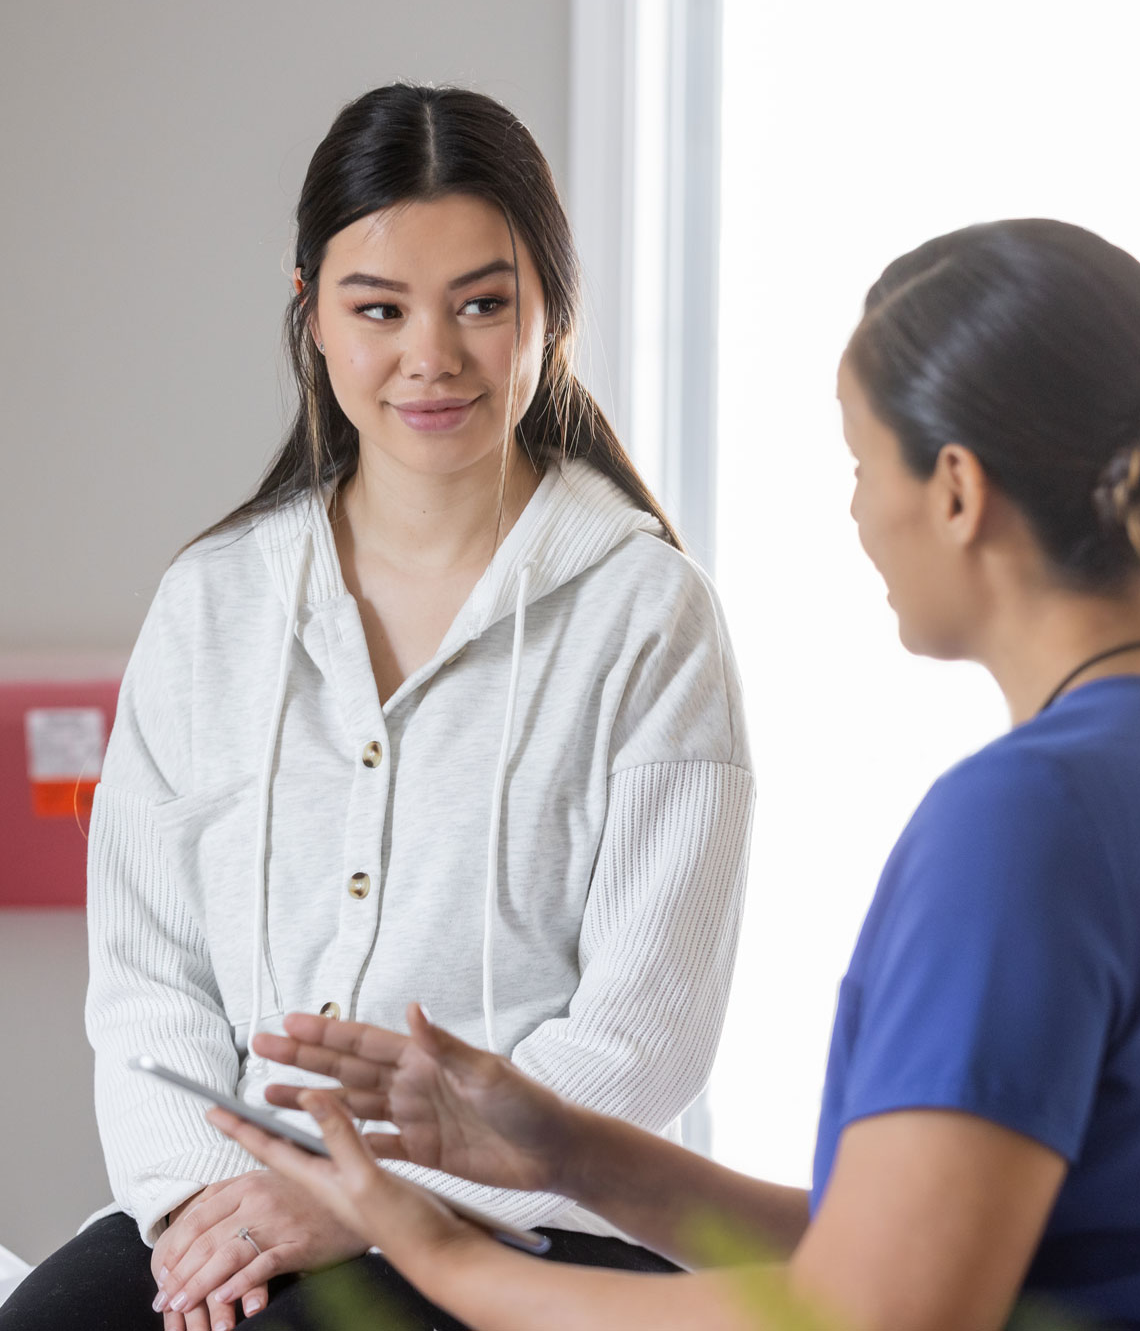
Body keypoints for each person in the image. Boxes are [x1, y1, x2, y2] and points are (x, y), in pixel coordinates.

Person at [201, 219, 1140, 1329]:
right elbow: (921, 1241)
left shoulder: (1025, 821)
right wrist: (566, 1148)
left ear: (958, 489)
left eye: (860, 462)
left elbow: (879, 1313)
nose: (855, 510)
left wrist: (443, 1253)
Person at [0, 85, 754, 1331]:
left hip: (531, 1221)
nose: (432, 356)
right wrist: (206, 1208)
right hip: (237, 1194)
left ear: (549, 311)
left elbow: (641, 1037)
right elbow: (147, 979)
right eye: (379, 308)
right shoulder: (213, 603)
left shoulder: (648, 614)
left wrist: (363, 1198)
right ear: (310, 312)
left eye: (482, 302)